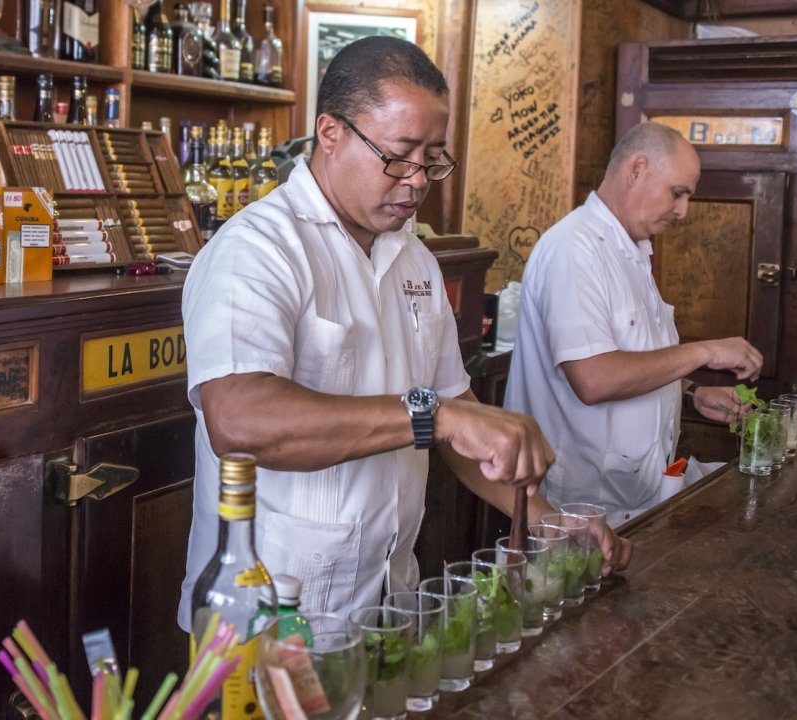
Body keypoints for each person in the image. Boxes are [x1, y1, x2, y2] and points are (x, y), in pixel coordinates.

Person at [178, 36, 630, 630]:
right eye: (399, 154)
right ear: (330, 133)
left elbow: (456, 414)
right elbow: (239, 422)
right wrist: (435, 416)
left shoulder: (413, 256)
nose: (418, 180)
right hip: (269, 616)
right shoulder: (257, 249)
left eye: (434, 157)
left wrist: (545, 517)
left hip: (388, 602)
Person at [504, 121, 764, 527]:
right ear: (637, 169)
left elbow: (634, 361)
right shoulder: (574, 249)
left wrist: (692, 393)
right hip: (577, 509)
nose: (683, 211)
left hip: (631, 497)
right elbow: (594, 379)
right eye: (678, 193)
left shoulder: (633, 252)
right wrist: (705, 351)